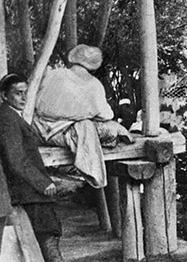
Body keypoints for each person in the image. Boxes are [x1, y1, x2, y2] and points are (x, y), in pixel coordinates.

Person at [0, 74, 69, 262]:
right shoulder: (7, 119)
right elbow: (15, 159)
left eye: (25, 93)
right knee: (47, 230)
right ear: (4, 95)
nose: (23, 97)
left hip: (27, 186)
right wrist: (43, 183)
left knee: (48, 229)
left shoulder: (11, 115)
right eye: (17, 93)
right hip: (26, 188)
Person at [33, 44, 132, 188]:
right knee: (110, 129)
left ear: (72, 59)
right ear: (94, 67)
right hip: (63, 135)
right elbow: (106, 115)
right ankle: (85, 170)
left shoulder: (53, 74)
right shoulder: (94, 85)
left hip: (37, 129)